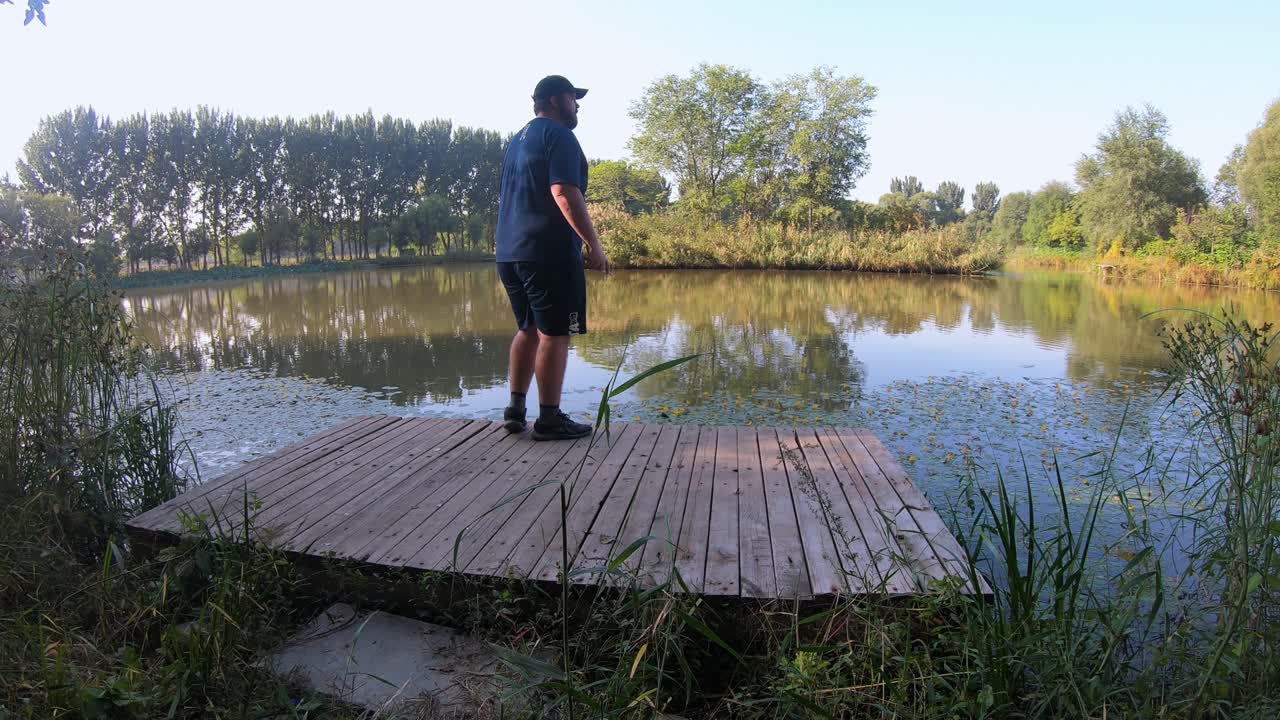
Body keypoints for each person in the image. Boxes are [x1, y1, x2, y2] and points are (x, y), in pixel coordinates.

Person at [495, 75, 611, 441]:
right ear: (555, 100)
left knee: (528, 327)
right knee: (555, 333)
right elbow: (562, 191)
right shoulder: (559, 136)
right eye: (573, 97)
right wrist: (593, 243)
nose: (578, 104)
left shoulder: (518, 141)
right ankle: (549, 419)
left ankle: (515, 409)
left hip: (510, 252)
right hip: (547, 253)